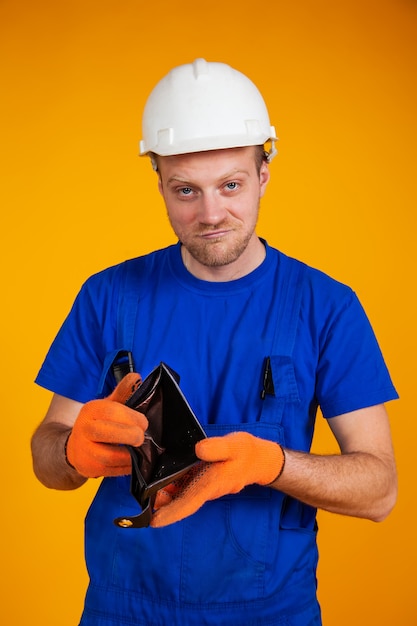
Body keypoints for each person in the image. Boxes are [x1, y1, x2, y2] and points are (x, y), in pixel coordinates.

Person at [31, 58, 398, 626]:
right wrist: (70, 451)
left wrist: (273, 465)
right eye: (185, 191)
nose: (209, 214)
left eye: (230, 185)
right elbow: (48, 458)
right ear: (159, 185)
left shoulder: (327, 306)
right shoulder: (107, 295)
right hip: (123, 608)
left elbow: (379, 491)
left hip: (271, 613)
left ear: (264, 176)